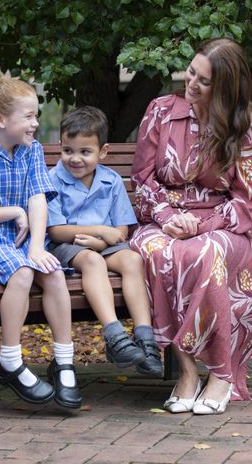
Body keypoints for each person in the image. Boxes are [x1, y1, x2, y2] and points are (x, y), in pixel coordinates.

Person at [129, 37, 252, 415]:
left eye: (204, 81)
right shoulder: (161, 111)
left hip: (225, 226)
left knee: (206, 253)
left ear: (226, 87)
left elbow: (249, 202)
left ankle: (222, 375)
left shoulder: (248, 126)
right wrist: (167, 217)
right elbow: (143, 180)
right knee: (159, 252)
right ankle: (189, 372)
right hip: (161, 220)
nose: (191, 83)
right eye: (191, 72)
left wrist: (200, 224)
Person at [0, 71, 82, 409]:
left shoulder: (31, 150)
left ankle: (63, 359)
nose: (35, 123)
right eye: (28, 116)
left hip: (22, 243)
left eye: (36, 116)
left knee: (54, 272)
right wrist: (13, 211)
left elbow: (38, 198)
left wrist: (37, 245)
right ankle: (10, 358)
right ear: (0, 120)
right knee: (24, 273)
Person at [45, 106, 163, 377]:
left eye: (85, 152)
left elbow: (121, 229)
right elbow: (55, 231)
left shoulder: (111, 181)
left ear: (103, 151)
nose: (75, 159)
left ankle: (146, 339)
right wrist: (100, 232)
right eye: (68, 150)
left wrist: (103, 239)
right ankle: (114, 336)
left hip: (105, 244)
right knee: (91, 260)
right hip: (68, 246)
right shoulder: (53, 180)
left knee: (133, 259)